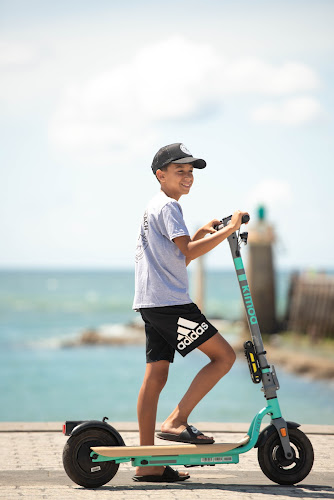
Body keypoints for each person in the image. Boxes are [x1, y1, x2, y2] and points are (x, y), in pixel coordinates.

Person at [132, 143, 249, 483]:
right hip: (170, 304)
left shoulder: (155, 207)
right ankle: (175, 421)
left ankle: (146, 461)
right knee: (224, 357)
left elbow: (178, 258)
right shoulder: (168, 207)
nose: (187, 176)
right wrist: (230, 230)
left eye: (190, 171)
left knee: (155, 377)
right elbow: (184, 251)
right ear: (161, 175)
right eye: (179, 170)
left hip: (152, 302)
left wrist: (200, 234)